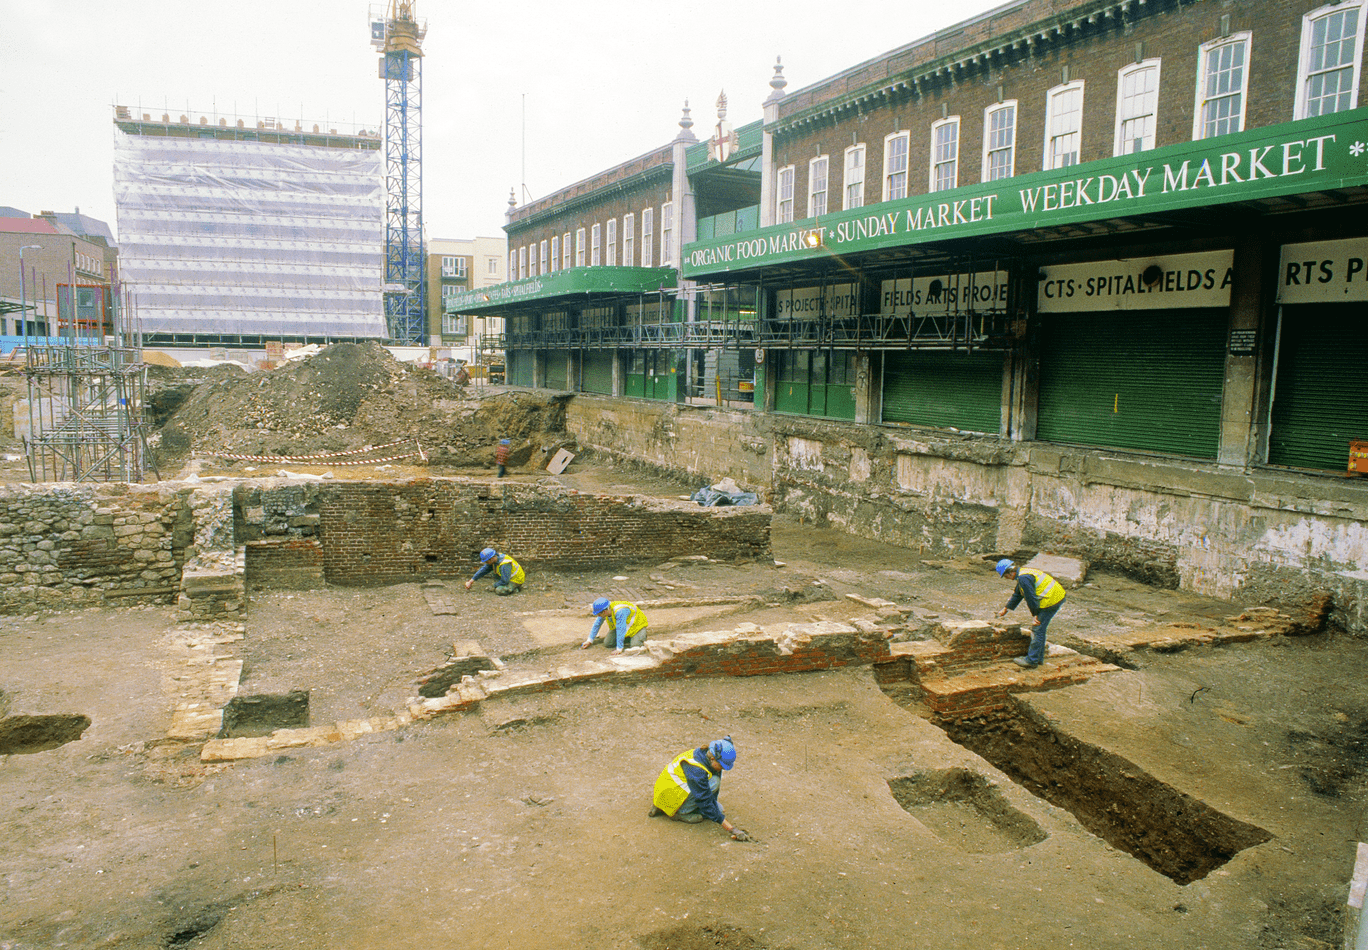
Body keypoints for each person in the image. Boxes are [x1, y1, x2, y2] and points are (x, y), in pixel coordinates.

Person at [648, 737, 751, 841]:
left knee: (718, 809)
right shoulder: (697, 770)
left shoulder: (708, 756)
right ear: (712, 759)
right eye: (722, 766)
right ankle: (680, 812)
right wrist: (731, 829)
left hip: (672, 790)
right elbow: (704, 799)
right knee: (714, 785)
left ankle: (686, 807)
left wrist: (714, 811)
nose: (722, 769)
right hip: (670, 796)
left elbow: (709, 797)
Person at [995, 558, 1066, 669]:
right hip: (1056, 596)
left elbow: (1031, 598)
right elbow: (1018, 594)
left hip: (1052, 600)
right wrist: (1006, 608)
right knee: (1040, 629)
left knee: (1037, 628)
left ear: (1010, 572)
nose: (1007, 579)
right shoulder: (1023, 573)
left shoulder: (1024, 578)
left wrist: (1035, 615)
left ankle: (1032, 661)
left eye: (1006, 576)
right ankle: (1038, 658)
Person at [580, 597, 648, 653]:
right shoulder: (606, 610)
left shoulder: (619, 611)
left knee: (635, 646)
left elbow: (621, 629)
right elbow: (597, 624)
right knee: (608, 643)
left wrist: (619, 648)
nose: (598, 616)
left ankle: (639, 636)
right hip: (626, 627)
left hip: (637, 627)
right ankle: (628, 638)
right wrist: (589, 640)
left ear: (604, 611)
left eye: (599, 614)